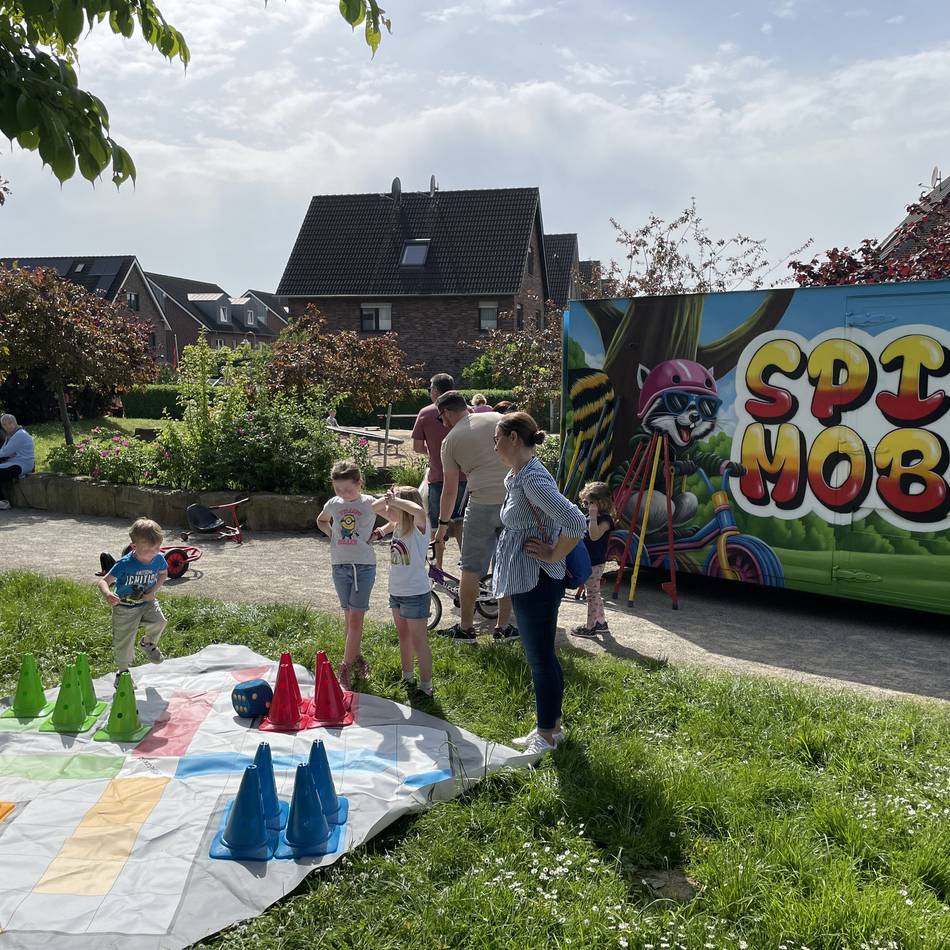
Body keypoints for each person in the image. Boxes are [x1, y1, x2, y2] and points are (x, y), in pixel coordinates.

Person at [491, 411, 586, 757]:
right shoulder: (518, 475)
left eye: (497, 438)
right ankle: (551, 726)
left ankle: (547, 735)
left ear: (514, 438)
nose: (495, 445)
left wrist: (552, 554)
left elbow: (575, 520)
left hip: (537, 579)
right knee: (542, 656)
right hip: (527, 577)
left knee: (540, 658)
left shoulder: (532, 480)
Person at [433, 391, 516, 643]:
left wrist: (442, 526)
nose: (442, 422)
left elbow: (449, 491)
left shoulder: (450, 440)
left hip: (479, 505)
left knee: (470, 569)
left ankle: (466, 628)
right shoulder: (498, 419)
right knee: (506, 565)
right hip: (512, 502)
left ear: (446, 412)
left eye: (441, 418)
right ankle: (503, 628)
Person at [317, 461, 377, 689]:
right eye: (338, 489)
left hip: (363, 566)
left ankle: (345, 666)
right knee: (348, 616)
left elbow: (395, 518)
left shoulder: (370, 502)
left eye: (348, 490)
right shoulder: (333, 504)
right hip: (339, 566)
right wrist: (331, 534)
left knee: (355, 619)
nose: (343, 494)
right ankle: (357, 658)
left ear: (359, 483)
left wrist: (380, 532)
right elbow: (321, 520)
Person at [372, 486, 434, 701]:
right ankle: (407, 677)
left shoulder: (419, 526)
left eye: (393, 505)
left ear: (403, 507)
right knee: (403, 637)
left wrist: (396, 500)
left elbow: (418, 510)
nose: (387, 509)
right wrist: (390, 498)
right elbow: (374, 507)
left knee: (419, 641)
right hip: (396, 592)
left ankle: (426, 687)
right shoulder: (398, 526)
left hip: (416, 593)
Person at [96, 518, 169, 684]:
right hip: (125, 608)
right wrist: (107, 594)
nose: (155, 552)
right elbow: (103, 581)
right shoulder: (124, 564)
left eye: (158, 547)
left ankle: (148, 643)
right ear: (134, 547)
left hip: (147, 602)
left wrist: (153, 591)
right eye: (150, 550)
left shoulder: (158, 558)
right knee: (124, 641)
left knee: (160, 622)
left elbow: (164, 574)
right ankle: (122, 673)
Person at [411, 373, 466, 568]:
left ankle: (437, 568)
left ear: (434, 391)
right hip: (464, 477)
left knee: (436, 524)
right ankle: (468, 566)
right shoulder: (467, 412)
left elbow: (417, 447)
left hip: (438, 476)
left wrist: (436, 452)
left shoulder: (426, 413)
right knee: (461, 522)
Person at [569, 481, 616, 638]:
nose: (587, 506)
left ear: (601, 502)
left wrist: (594, 517)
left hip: (595, 562)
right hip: (588, 559)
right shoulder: (591, 517)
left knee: (592, 594)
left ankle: (590, 627)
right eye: (586, 503)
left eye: (590, 503)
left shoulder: (605, 520)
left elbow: (595, 536)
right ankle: (600, 622)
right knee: (595, 592)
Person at [0, 413, 35, 509]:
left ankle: (3, 502)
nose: (8, 426)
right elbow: (4, 452)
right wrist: (6, 453)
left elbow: (4, 452)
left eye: (10, 423)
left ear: (15, 422)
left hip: (22, 465)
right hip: (14, 463)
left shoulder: (20, 434)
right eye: (4, 424)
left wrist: (6, 453)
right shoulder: (11, 435)